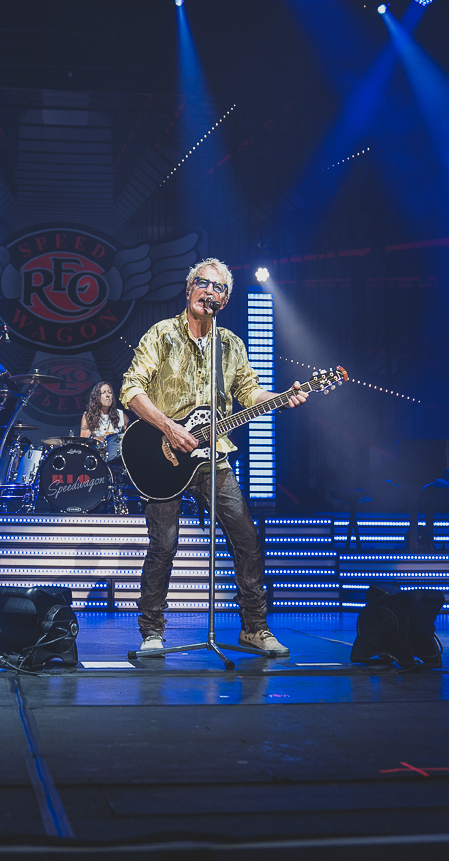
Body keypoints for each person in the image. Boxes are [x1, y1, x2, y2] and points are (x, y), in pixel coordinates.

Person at [120, 258, 309, 656]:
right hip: (162, 454)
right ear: (189, 289)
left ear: (226, 298)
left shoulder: (231, 344)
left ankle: (254, 629)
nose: (210, 291)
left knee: (246, 537)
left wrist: (280, 399)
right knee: (164, 545)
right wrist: (170, 428)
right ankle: (152, 630)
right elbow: (131, 390)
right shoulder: (162, 334)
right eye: (203, 283)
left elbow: (249, 392)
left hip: (214, 456)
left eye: (218, 287)